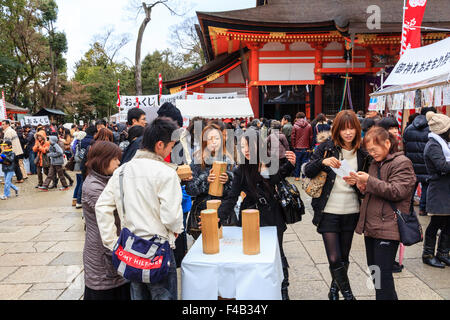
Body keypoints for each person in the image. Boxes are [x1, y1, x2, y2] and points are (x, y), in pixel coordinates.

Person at [95, 117, 183, 300]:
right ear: (160, 145)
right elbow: (171, 217)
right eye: (171, 146)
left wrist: (112, 242)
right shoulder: (166, 173)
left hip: (131, 249)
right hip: (158, 250)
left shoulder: (122, 170)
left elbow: (102, 206)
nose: (171, 150)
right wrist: (175, 230)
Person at [218, 128, 296, 300]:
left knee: (278, 254)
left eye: (249, 145)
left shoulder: (271, 162)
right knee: (250, 254)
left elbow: (278, 178)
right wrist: (218, 217)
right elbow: (232, 197)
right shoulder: (241, 170)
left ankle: (283, 291)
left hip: (273, 215)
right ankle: (254, 291)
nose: (245, 150)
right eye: (242, 146)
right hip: (249, 217)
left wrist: (290, 165)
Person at [304, 110, 370, 300]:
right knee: (334, 257)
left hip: (351, 210)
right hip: (328, 210)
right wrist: (323, 161)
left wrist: (358, 183)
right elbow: (308, 171)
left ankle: (334, 290)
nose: (348, 133)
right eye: (344, 129)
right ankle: (348, 295)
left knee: (343, 256)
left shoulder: (363, 153)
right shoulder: (326, 147)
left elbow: (366, 185)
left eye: (352, 129)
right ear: (337, 130)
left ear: (357, 130)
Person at [352, 126, 416, 300]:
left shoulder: (402, 162)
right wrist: (363, 186)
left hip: (389, 225)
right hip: (372, 225)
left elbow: (397, 191)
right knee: (375, 273)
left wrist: (369, 181)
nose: (372, 153)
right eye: (369, 150)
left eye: (374, 149)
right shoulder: (375, 163)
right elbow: (377, 190)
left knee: (383, 275)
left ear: (387, 143)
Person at [82, 141, 130, 300]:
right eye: (115, 159)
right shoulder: (93, 186)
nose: (118, 162)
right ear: (102, 159)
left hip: (113, 250)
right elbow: (120, 210)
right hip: (102, 254)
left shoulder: (107, 179)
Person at [184, 123, 235, 239]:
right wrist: (206, 180)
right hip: (201, 211)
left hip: (225, 213)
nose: (214, 142)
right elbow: (190, 189)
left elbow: (237, 188)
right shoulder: (197, 159)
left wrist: (228, 179)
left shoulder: (229, 159)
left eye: (217, 138)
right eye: (210, 138)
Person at [421, 111, 450, 268]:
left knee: (448, 222)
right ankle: (428, 254)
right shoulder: (433, 145)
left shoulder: (444, 144)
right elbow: (442, 166)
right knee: (436, 223)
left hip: (446, 188)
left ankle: (443, 253)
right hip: (439, 190)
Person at [403, 107, 437, 216]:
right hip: (426, 162)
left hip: (411, 162)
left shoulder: (409, 128)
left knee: (411, 185)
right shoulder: (431, 129)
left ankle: (406, 207)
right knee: (426, 185)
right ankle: (423, 209)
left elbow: (405, 144)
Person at [291, 112, 313, 181]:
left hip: (297, 148)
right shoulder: (309, 126)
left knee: (297, 163)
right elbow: (311, 137)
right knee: (305, 163)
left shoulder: (295, 126)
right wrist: (310, 146)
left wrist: (293, 145)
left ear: (297, 118)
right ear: (304, 117)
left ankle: (297, 177)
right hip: (306, 147)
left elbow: (293, 137)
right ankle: (304, 177)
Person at [73, 130, 87, 209]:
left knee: (78, 183)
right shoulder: (80, 144)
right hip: (79, 166)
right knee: (80, 183)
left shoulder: (76, 143)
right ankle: (78, 201)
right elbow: (78, 157)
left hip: (77, 166)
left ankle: (75, 199)